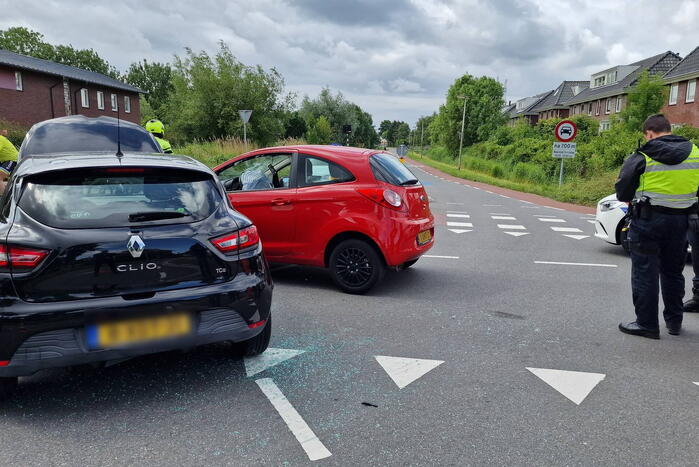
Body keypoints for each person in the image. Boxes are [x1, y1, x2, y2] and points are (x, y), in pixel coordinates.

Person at [615, 114, 699, 339]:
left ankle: (647, 324)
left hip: (647, 221)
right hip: (681, 222)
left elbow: (622, 191)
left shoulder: (642, 155)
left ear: (649, 133)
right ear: (669, 129)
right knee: (673, 272)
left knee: (645, 273)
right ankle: (674, 322)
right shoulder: (695, 153)